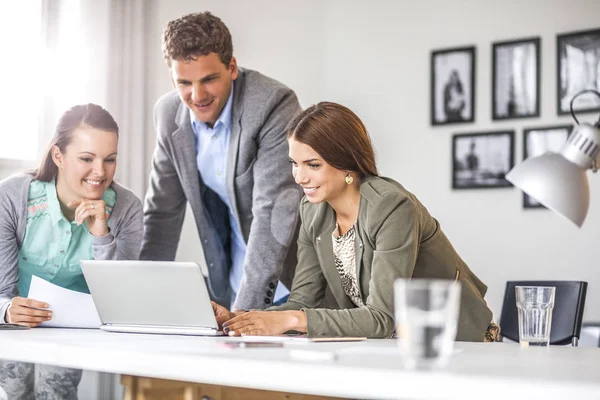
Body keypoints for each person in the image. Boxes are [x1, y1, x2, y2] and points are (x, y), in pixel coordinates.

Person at [212, 102, 498, 341]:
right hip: (392, 345)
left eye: (313, 165)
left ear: (346, 162)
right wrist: (238, 319)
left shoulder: (391, 207)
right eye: (294, 164)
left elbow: (380, 317)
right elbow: (302, 303)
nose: (299, 178)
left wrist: (290, 319)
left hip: (457, 340)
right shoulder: (313, 212)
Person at [141, 12, 302, 310]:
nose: (197, 95)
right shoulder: (168, 114)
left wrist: (244, 315)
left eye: (209, 79)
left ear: (232, 68)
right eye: (184, 83)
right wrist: (141, 300)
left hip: (288, 282)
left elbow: (272, 213)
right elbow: (161, 213)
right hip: (229, 283)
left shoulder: (273, 104)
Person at [0, 103, 143, 399]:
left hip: (72, 332)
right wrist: (7, 310)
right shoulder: (12, 198)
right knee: (14, 389)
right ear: (58, 156)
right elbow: (2, 289)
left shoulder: (127, 208)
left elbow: (122, 303)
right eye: (87, 158)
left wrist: (101, 233)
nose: (100, 172)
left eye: (110, 159)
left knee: (55, 392)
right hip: (11, 328)